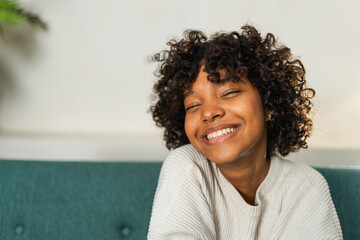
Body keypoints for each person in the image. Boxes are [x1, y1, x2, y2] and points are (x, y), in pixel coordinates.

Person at [147, 25, 343, 240]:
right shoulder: (187, 167)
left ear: (269, 105)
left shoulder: (305, 188)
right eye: (193, 105)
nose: (209, 112)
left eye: (229, 92)